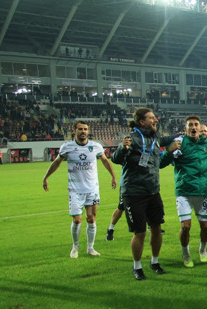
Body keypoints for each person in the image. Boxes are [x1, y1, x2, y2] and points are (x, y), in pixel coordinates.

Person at [111, 108, 171, 280]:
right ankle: (137, 267)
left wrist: (184, 134)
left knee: (157, 228)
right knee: (140, 232)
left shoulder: (155, 138)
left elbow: (169, 139)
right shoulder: (133, 138)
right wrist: (123, 148)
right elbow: (116, 158)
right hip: (134, 193)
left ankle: (155, 262)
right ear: (142, 122)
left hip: (153, 191)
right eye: (152, 118)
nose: (156, 120)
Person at [42, 121, 117, 258]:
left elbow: (105, 161)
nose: (83, 131)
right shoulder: (67, 147)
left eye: (85, 129)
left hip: (92, 189)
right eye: (80, 129)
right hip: (75, 190)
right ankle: (75, 247)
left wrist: (113, 176)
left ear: (88, 131)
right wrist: (46, 177)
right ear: (74, 131)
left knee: (91, 218)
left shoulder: (95, 146)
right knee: (77, 220)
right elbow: (57, 162)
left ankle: (90, 248)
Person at [161, 116, 207, 267]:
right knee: (185, 226)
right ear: (185, 129)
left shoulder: (206, 145)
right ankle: (186, 254)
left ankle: (203, 250)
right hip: (184, 191)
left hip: (202, 192)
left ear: (200, 128)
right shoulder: (179, 144)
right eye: (190, 125)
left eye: (196, 125)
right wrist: (169, 151)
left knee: (205, 227)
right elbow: (161, 164)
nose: (193, 127)